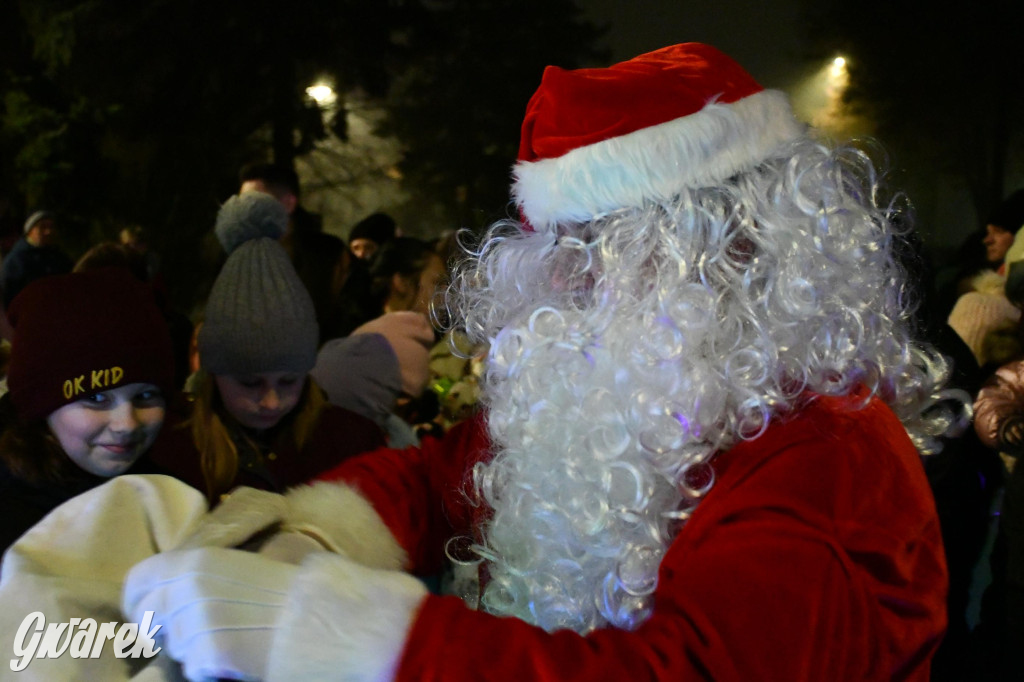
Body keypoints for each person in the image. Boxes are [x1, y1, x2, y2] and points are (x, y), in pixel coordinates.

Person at [124, 43, 966, 681]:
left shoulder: (831, 463)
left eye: (608, 249)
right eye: (561, 253)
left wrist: (351, 639)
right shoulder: (628, 385)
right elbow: (443, 474)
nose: (571, 283)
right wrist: (312, 535)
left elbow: (678, 671)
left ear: (733, 247)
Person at [148, 192, 385, 504]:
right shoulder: (172, 447)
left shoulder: (348, 441)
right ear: (213, 370)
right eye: (249, 382)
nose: (271, 402)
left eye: (289, 381)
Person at [0, 268, 175, 555]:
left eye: (145, 396)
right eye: (95, 398)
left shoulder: (169, 498)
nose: (127, 424)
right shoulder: (12, 529)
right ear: (39, 405)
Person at [0, 209, 73, 308]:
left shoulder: (59, 257)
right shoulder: (16, 261)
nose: (48, 232)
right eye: (42, 227)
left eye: (51, 227)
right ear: (30, 231)